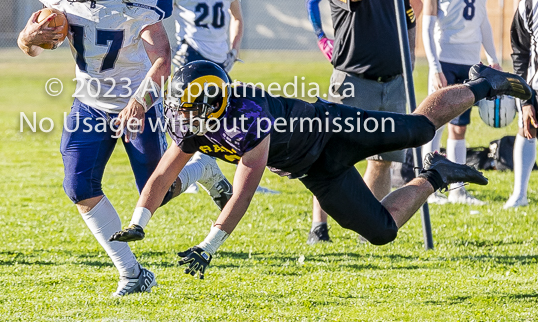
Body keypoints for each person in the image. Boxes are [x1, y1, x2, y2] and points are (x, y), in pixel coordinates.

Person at [110, 60, 533, 279]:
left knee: (420, 129)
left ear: (211, 105)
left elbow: (242, 193)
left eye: (187, 107)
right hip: (316, 170)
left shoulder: (249, 117)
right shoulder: (192, 124)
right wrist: (138, 221)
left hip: (334, 129)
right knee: (382, 232)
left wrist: (209, 247)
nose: (179, 115)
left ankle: (483, 83)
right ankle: (437, 174)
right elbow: (162, 176)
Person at [17, 0, 231, 297]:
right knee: (78, 187)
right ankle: (133, 274)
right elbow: (32, 43)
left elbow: (163, 59)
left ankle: (204, 169)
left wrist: (140, 101)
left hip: (139, 103)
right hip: (88, 103)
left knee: (157, 194)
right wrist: (28, 38)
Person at [305, 0, 422, 244]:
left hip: (393, 83)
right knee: (329, 156)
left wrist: (409, 56)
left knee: (383, 160)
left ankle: (367, 231)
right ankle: (319, 226)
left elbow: (413, 13)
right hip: (353, 82)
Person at [163, 0, 276, 196]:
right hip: (190, 57)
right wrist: (167, 51)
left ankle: (243, 176)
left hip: (218, 61)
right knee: (184, 116)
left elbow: (237, 18)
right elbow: (157, 17)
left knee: (227, 119)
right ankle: (183, 171)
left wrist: (233, 50)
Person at [416, 0, 500, 205]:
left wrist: (493, 57)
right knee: (434, 123)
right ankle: (426, 185)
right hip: (445, 57)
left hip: (470, 60)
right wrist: (435, 65)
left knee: (460, 126)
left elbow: (482, 20)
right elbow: (427, 25)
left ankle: (458, 190)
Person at [504, 0, 538, 209]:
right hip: (536, 79)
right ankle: (520, 193)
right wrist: (523, 94)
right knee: (528, 128)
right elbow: (520, 48)